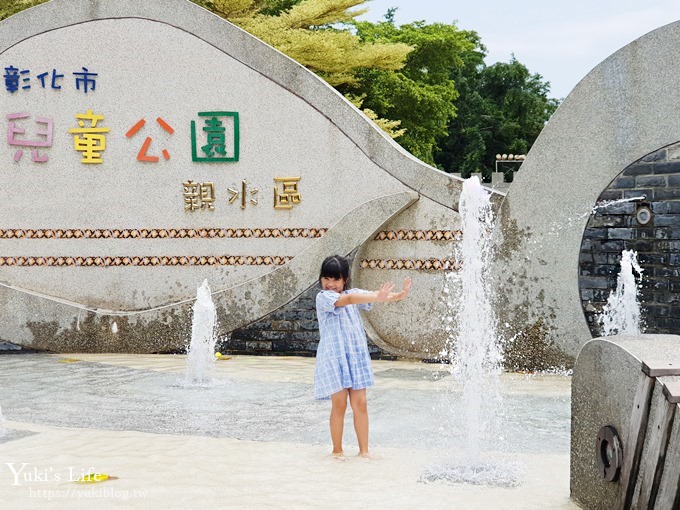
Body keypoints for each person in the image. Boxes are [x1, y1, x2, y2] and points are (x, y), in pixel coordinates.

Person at [313, 255, 411, 460]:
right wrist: (377, 297)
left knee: (361, 404)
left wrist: (398, 295)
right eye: (327, 279)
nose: (330, 284)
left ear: (345, 279)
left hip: (355, 356)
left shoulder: (354, 293)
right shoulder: (324, 298)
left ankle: (364, 451)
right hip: (334, 358)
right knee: (339, 404)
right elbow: (348, 300)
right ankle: (337, 450)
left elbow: (373, 295)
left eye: (336, 280)